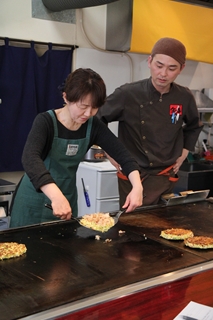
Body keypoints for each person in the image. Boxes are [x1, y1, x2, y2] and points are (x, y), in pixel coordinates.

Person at [10, 68, 142, 228]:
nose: (88, 113)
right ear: (66, 97)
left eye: (94, 108)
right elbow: (30, 158)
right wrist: (56, 196)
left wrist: (137, 186)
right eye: (83, 106)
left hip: (67, 197)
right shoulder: (45, 122)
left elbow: (123, 156)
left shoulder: (93, 126)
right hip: (33, 200)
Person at [97, 37, 203, 207]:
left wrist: (183, 155)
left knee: (163, 224)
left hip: (165, 175)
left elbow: (193, 127)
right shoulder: (128, 93)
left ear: (181, 69)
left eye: (171, 68)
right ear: (149, 61)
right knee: (132, 224)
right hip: (133, 174)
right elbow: (98, 120)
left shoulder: (184, 97)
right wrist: (110, 153)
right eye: (159, 66)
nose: (163, 74)